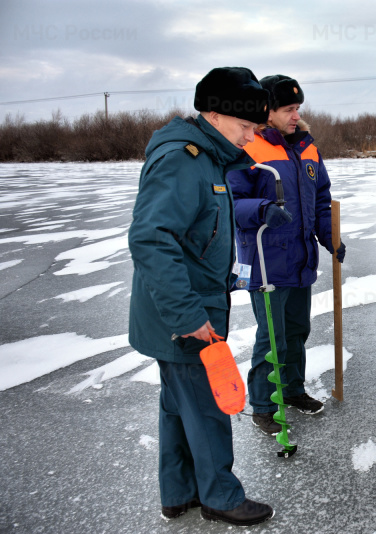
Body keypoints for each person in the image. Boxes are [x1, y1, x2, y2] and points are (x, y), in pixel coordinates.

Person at [128, 67, 275, 525]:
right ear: (213, 114)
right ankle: (221, 497)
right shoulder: (183, 160)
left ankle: (179, 492)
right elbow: (152, 240)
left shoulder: (209, 159)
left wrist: (225, 277)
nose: (252, 138)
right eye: (247, 127)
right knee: (208, 407)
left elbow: (197, 238)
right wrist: (187, 314)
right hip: (184, 316)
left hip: (184, 307)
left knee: (178, 407)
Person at [227, 74, 345, 436]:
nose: (295, 115)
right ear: (268, 110)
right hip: (264, 260)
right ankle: (263, 404)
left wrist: (329, 236)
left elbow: (321, 200)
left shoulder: (307, 148)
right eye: (288, 109)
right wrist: (262, 209)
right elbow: (230, 201)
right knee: (271, 337)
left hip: (299, 260)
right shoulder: (248, 146)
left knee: (297, 330)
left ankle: (293, 390)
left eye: (298, 109)